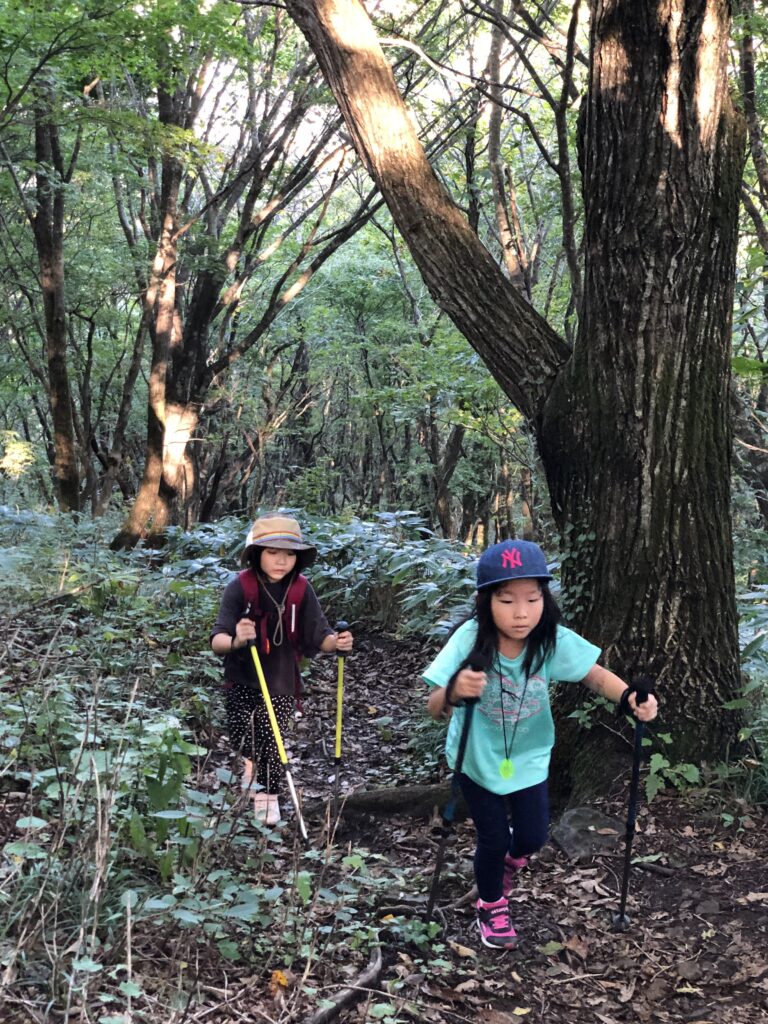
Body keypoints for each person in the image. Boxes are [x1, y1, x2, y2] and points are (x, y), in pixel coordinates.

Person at [422, 539, 658, 950]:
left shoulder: (549, 639)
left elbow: (594, 674)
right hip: (476, 760)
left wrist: (628, 699)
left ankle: (507, 865)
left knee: (532, 837)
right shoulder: (469, 640)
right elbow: (434, 705)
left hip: (529, 757)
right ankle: (490, 905)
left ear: (544, 600)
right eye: (507, 599)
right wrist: (456, 691)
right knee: (492, 839)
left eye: (532, 599)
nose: (521, 612)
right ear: (485, 601)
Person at [211, 513, 353, 824]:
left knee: (272, 738)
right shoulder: (240, 587)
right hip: (241, 676)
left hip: (280, 678)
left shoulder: (302, 589)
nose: (281, 560)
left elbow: (319, 634)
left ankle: (268, 795)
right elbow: (217, 639)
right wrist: (236, 640)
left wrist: (337, 643)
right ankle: (251, 764)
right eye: (272, 552)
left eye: (289, 553)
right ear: (256, 554)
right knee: (241, 736)